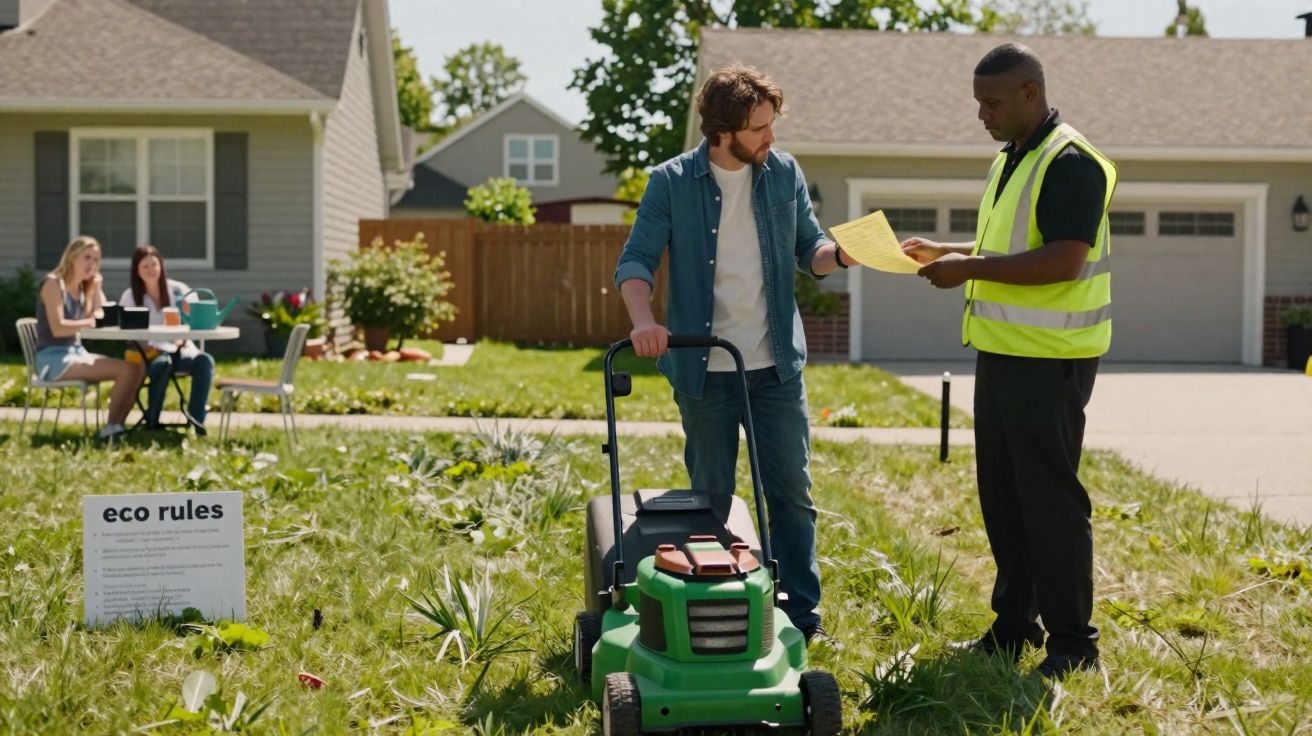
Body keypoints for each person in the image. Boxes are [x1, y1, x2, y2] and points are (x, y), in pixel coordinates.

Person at [615, 63, 862, 643]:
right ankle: (717, 609)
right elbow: (635, 263)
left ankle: (801, 614)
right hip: (705, 370)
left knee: (791, 494)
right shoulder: (671, 182)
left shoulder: (783, 173)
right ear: (723, 132)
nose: (771, 138)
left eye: (773, 125)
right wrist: (645, 321)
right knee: (710, 499)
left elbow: (811, 250)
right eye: (760, 129)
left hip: (775, 365)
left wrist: (842, 254)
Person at [901, 42, 1116, 680]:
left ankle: (1074, 646)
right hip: (1003, 355)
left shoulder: (1071, 162)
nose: (982, 115)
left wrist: (968, 269)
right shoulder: (1015, 158)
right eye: (977, 102)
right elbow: (1010, 246)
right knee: (1004, 498)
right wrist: (953, 248)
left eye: (992, 102)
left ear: (1031, 93)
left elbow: (1063, 259)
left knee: (1049, 502)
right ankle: (1014, 627)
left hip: (1050, 362)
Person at [34, 236, 145, 439]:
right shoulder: (53, 284)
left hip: (76, 354)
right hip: (53, 360)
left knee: (137, 368)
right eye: (87, 257)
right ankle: (111, 428)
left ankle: (117, 426)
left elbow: (104, 316)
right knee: (128, 369)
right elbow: (58, 329)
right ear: (71, 258)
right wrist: (90, 322)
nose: (92, 264)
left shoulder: (83, 288)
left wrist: (97, 288)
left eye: (96, 260)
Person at [118, 245, 215, 434]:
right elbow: (128, 333)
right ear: (137, 270)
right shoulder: (130, 297)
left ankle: (196, 421)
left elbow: (194, 320)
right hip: (151, 353)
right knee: (162, 364)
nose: (151, 270)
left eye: (154, 264)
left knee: (205, 361)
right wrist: (147, 346)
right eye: (145, 266)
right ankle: (152, 421)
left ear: (161, 266)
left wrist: (182, 339)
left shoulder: (179, 290)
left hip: (182, 350)